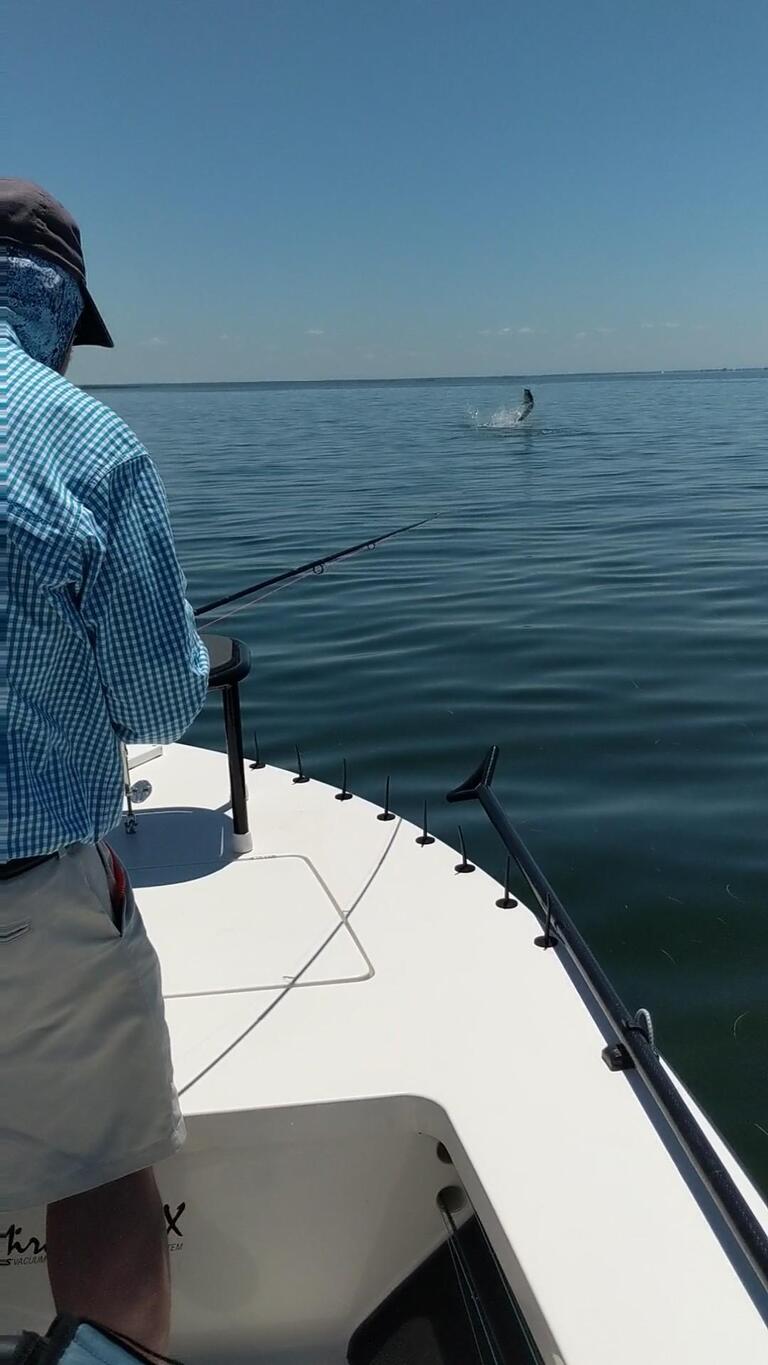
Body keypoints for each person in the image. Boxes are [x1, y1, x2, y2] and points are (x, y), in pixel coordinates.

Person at [0, 180, 209, 1355]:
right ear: (59, 303)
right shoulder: (88, 447)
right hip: (31, 904)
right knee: (102, 1178)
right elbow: (156, 700)